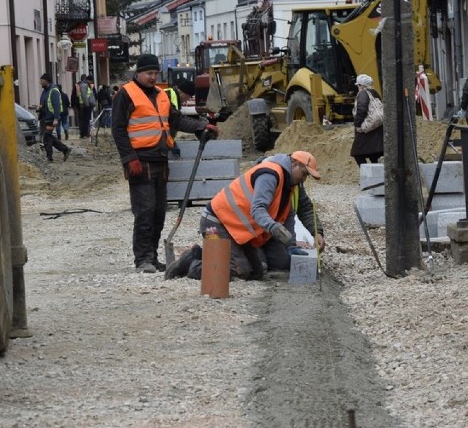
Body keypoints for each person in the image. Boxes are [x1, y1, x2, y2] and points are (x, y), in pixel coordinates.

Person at [112, 53, 218, 273]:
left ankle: (153, 257)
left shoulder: (161, 95)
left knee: (159, 212)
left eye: (155, 73)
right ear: (138, 73)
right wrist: (129, 158)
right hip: (139, 161)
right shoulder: (126, 94)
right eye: (149, 73)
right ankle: (143, 260)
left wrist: (200, 127)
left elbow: (175, 119)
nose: (153, 77)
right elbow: (118, 130)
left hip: (160, 159)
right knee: (145, 211)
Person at [166, 151, 321, 281]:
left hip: (238, 229)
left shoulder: (290, 184)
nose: (304, 179)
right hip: (216, 223)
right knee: (238, 271)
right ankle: (190, 263)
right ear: (294, 163)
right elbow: (258, 210)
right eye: (304, 174)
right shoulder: (270, 175)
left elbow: (289, 215)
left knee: (258, 271)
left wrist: (292, 244)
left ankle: (204, 253)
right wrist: (275, 229)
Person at [36, 73, 71, 162]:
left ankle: (49, 157)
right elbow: (43, 103)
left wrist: (56, 118)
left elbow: (56, 106)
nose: (40, 83)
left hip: (51, 119)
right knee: (48, 136)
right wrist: (39, 108)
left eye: (42, 81)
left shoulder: (54, 91)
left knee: (47, 136)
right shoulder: (45, 91)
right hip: (44, 118)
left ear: (46, 81)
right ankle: (65, 149)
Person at [350, 74, 384, 167]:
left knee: (357, 153)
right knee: (373, 155)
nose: (357, 87)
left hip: (366, 130)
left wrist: (357, 124)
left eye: (358, 85)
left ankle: (367, 177)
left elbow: (362, 109)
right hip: (376, 128)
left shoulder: (363, 93)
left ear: (361, 85)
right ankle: (378, 177)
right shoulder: (374, 93)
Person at [164, 77, 196, 159]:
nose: (186, 101)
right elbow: (173, 122)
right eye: (188, 97)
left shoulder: (168, 93)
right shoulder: (171, 97)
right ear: (183, 93)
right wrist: (171, 143)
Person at [77, 73, 96, 138]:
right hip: (85, 105)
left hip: (86, 105)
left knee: (86, 120)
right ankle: (84, 133)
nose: (91, 82)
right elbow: (84, 95)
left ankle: (85, 133)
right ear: (88, 80)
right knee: (85, 120)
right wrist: (87, 104)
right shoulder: (84, 85)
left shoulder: (86, 85)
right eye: (91, 81)